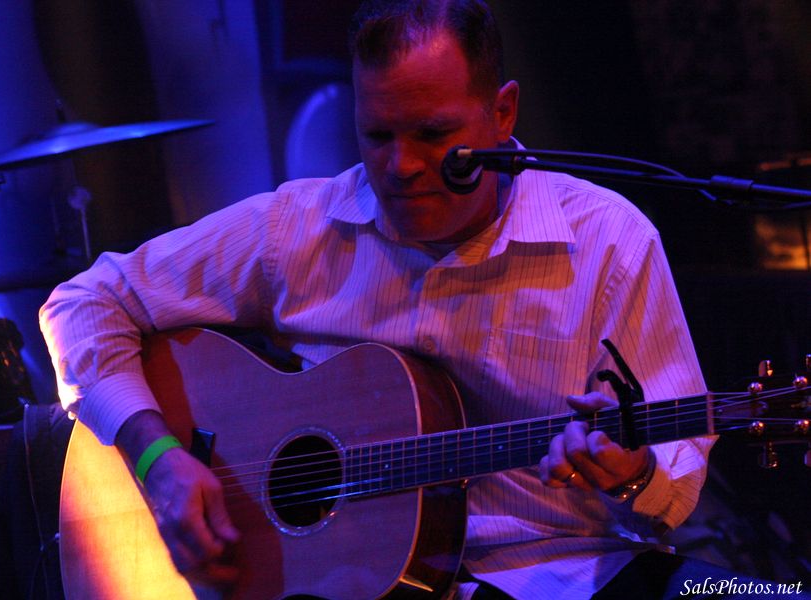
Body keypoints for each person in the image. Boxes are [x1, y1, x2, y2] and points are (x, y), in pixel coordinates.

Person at [39, 1, 773, 598]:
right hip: (343, 586)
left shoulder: (609, 242)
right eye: (377, 134)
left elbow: (673, 476)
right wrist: (159, 456)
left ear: (504, 112)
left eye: (433, 134)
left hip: (575, 572)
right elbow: (82, 303)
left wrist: (633, 471)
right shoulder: (298, 230)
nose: (401, 166)